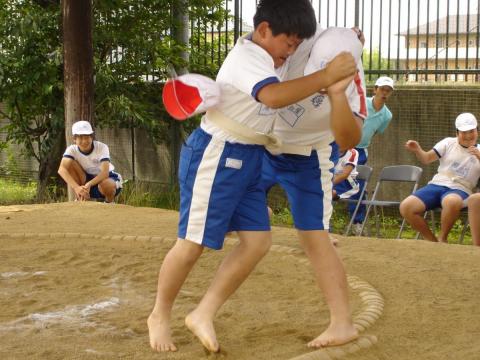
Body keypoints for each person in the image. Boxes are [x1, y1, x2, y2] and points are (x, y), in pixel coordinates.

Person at [148, 0, 357, 353]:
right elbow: (273, 97)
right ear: (263, 31)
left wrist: (351, 41)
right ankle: (159, 314)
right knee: (191, 243)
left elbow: (314, 49)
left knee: (258, 242)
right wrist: (326, 77)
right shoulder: (247, 57)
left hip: (248, 157)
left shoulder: (273, 50)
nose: (291, 53)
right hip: (216, 154)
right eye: (289, 44)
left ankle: (203, 312)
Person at [261, 27, 366, 348]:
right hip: (259, 142)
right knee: (219, 221)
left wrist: (336, 93)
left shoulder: (353, 79)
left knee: (315, 235)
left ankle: (342, 323)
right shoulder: (290, 46)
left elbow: (349, 140)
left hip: (310, 153)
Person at [400, 113, 480, 243]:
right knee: (406, 207)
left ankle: (443, 238)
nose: (468, 135)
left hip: (461, 189)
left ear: (477, 131)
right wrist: (417, 150)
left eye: (471, 131)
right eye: (463, 132)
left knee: (451, 201)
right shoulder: (448, 142)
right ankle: (432, 241)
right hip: (436, 184)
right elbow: (426, 159)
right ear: (457, 133)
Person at [349, 76, 395, 234]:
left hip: (360, 151)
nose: (385, 93)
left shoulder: (387, 116)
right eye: (382, 89)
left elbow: (374, 132)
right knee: (333, 180)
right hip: (342, 146)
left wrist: (360, 144)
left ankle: (357, 223)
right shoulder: (359, 102)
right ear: (375, 89)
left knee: (359, 186)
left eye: (388, 91)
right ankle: (323, 222)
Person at [57, 120, 122, 203]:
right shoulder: (71, 150)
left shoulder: (102, 147)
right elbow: (61, 169)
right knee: (69, 164)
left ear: (91, 137)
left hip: (107, 178)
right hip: (85, 179)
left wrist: (89, 184)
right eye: (80, 137)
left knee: (107, 184)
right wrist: (76, 187)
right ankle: (81, 197)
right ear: (74, 139)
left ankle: (109, 202)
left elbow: (105, 173)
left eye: (87, 137)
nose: (84, 141)